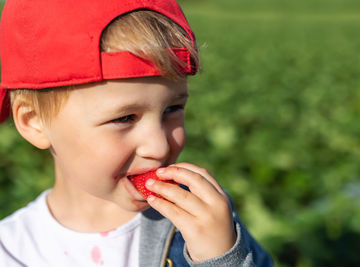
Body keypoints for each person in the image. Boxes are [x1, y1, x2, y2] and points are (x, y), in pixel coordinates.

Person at [0, 0, 274, 266]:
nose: (159, 147)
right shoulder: (12, 252)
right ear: (34, 122)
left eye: (173, 109)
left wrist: (220, 258)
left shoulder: (202, 222)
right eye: (124, 118)